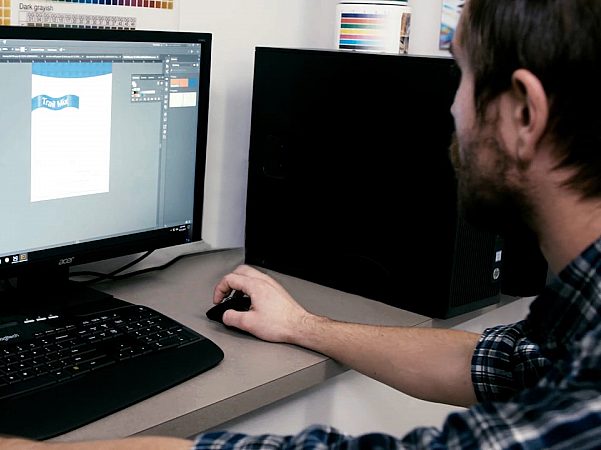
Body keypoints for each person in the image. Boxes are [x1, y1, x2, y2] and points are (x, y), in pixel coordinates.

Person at [2, 0, 601, 447]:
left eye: (462, 78)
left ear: (524, 112)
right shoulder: (582, 312)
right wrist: (303, 325)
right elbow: (501, 362)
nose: (450, 108)